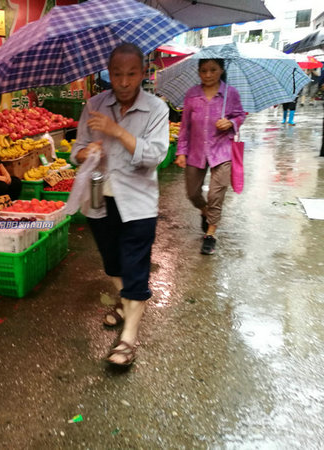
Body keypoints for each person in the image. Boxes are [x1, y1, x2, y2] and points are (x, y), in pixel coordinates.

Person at [71, 43, 169, 367]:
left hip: (138, 204)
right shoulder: (94, 105)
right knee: (113, 264)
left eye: (131, 74)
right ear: (108, 74)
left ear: (143, 73)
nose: (124, 82)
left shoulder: (156, 109)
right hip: (99, 199)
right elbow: (76, 150)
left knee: (135, 268)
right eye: (117, 74)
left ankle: (128, 339)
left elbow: (155, 156)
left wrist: (117, 131)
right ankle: (127, 304)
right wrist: (87, 152)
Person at [174, 58, 245, 255]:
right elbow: (185, 126)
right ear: (198, 72)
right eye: (203, 70)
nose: (208, 75)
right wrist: (181, 151)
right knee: (192, 193)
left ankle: (210, 234)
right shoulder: (192, 94)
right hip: (195, 151)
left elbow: (240, 115)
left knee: (216, 194)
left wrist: (231, 123)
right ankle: (205, 211)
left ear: (221, 70)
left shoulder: (230, 93)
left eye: (213, 70)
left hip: (222, 151)